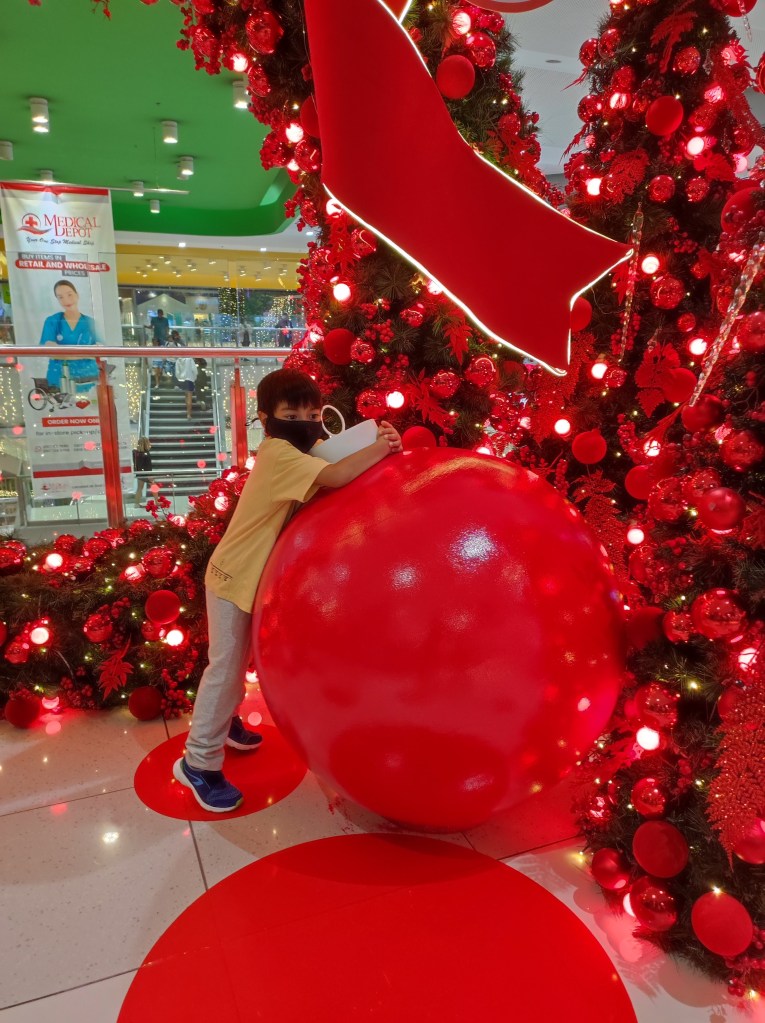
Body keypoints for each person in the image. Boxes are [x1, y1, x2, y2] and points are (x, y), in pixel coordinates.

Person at [173, 368, 403, 811]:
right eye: (292, 415)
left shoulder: (298, 450)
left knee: (236, 663)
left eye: (313, 415)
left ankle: (225, 722)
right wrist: (382, 446)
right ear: (266, 419)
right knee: (225, 669)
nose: (305, 423)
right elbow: (338, 475)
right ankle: (198, 762)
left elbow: (336, 459)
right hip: (233, 577)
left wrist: (380, 440)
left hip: (248, 576)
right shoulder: (279, 452)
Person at [39, 280, 100, 393]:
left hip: (89, 380)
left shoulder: (90, 322)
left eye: (69, 295)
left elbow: (100, 350)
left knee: (90, 403)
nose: (66, 300)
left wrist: (65, 354)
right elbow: (51, 351)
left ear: (77, 295)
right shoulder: (53, 321)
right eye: (60, 297)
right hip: (59, 381)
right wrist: (86, 354)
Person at [174, 352, 198, 419]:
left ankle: (187, 411)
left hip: (182, 380)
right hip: (189, 379)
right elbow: (194, 370)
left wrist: (179, 378)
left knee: (186, 395)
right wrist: (194, 378)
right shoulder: (190, 359)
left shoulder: (178, 360)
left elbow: (177, 372)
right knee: (189, 397)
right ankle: (189, 414)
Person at [132, 437, 153, 507]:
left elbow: (135, 463)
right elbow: (149, 465)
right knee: (154, 486)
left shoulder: (135, 453)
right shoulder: (146, 454)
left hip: (139, 473)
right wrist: (150, 474)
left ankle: (136, 503)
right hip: (146, 473)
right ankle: (157, 501)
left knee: (139, 488)